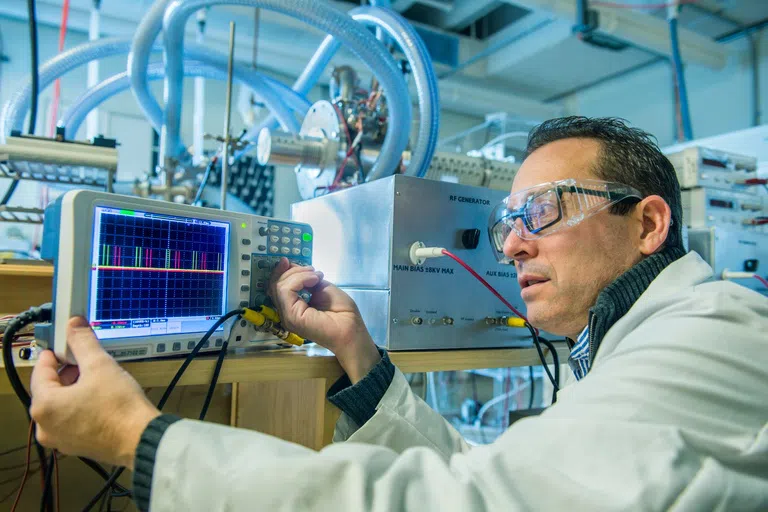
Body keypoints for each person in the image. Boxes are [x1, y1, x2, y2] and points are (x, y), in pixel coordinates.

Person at [29, 117, 768, 511]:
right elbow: (496, 476)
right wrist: (358, 350)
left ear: (647, 224)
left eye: (541, 211)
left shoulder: (708, 339)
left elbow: (469, 504)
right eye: (509, 217)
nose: (510, 243)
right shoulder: (618, 346)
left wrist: (138, 437)